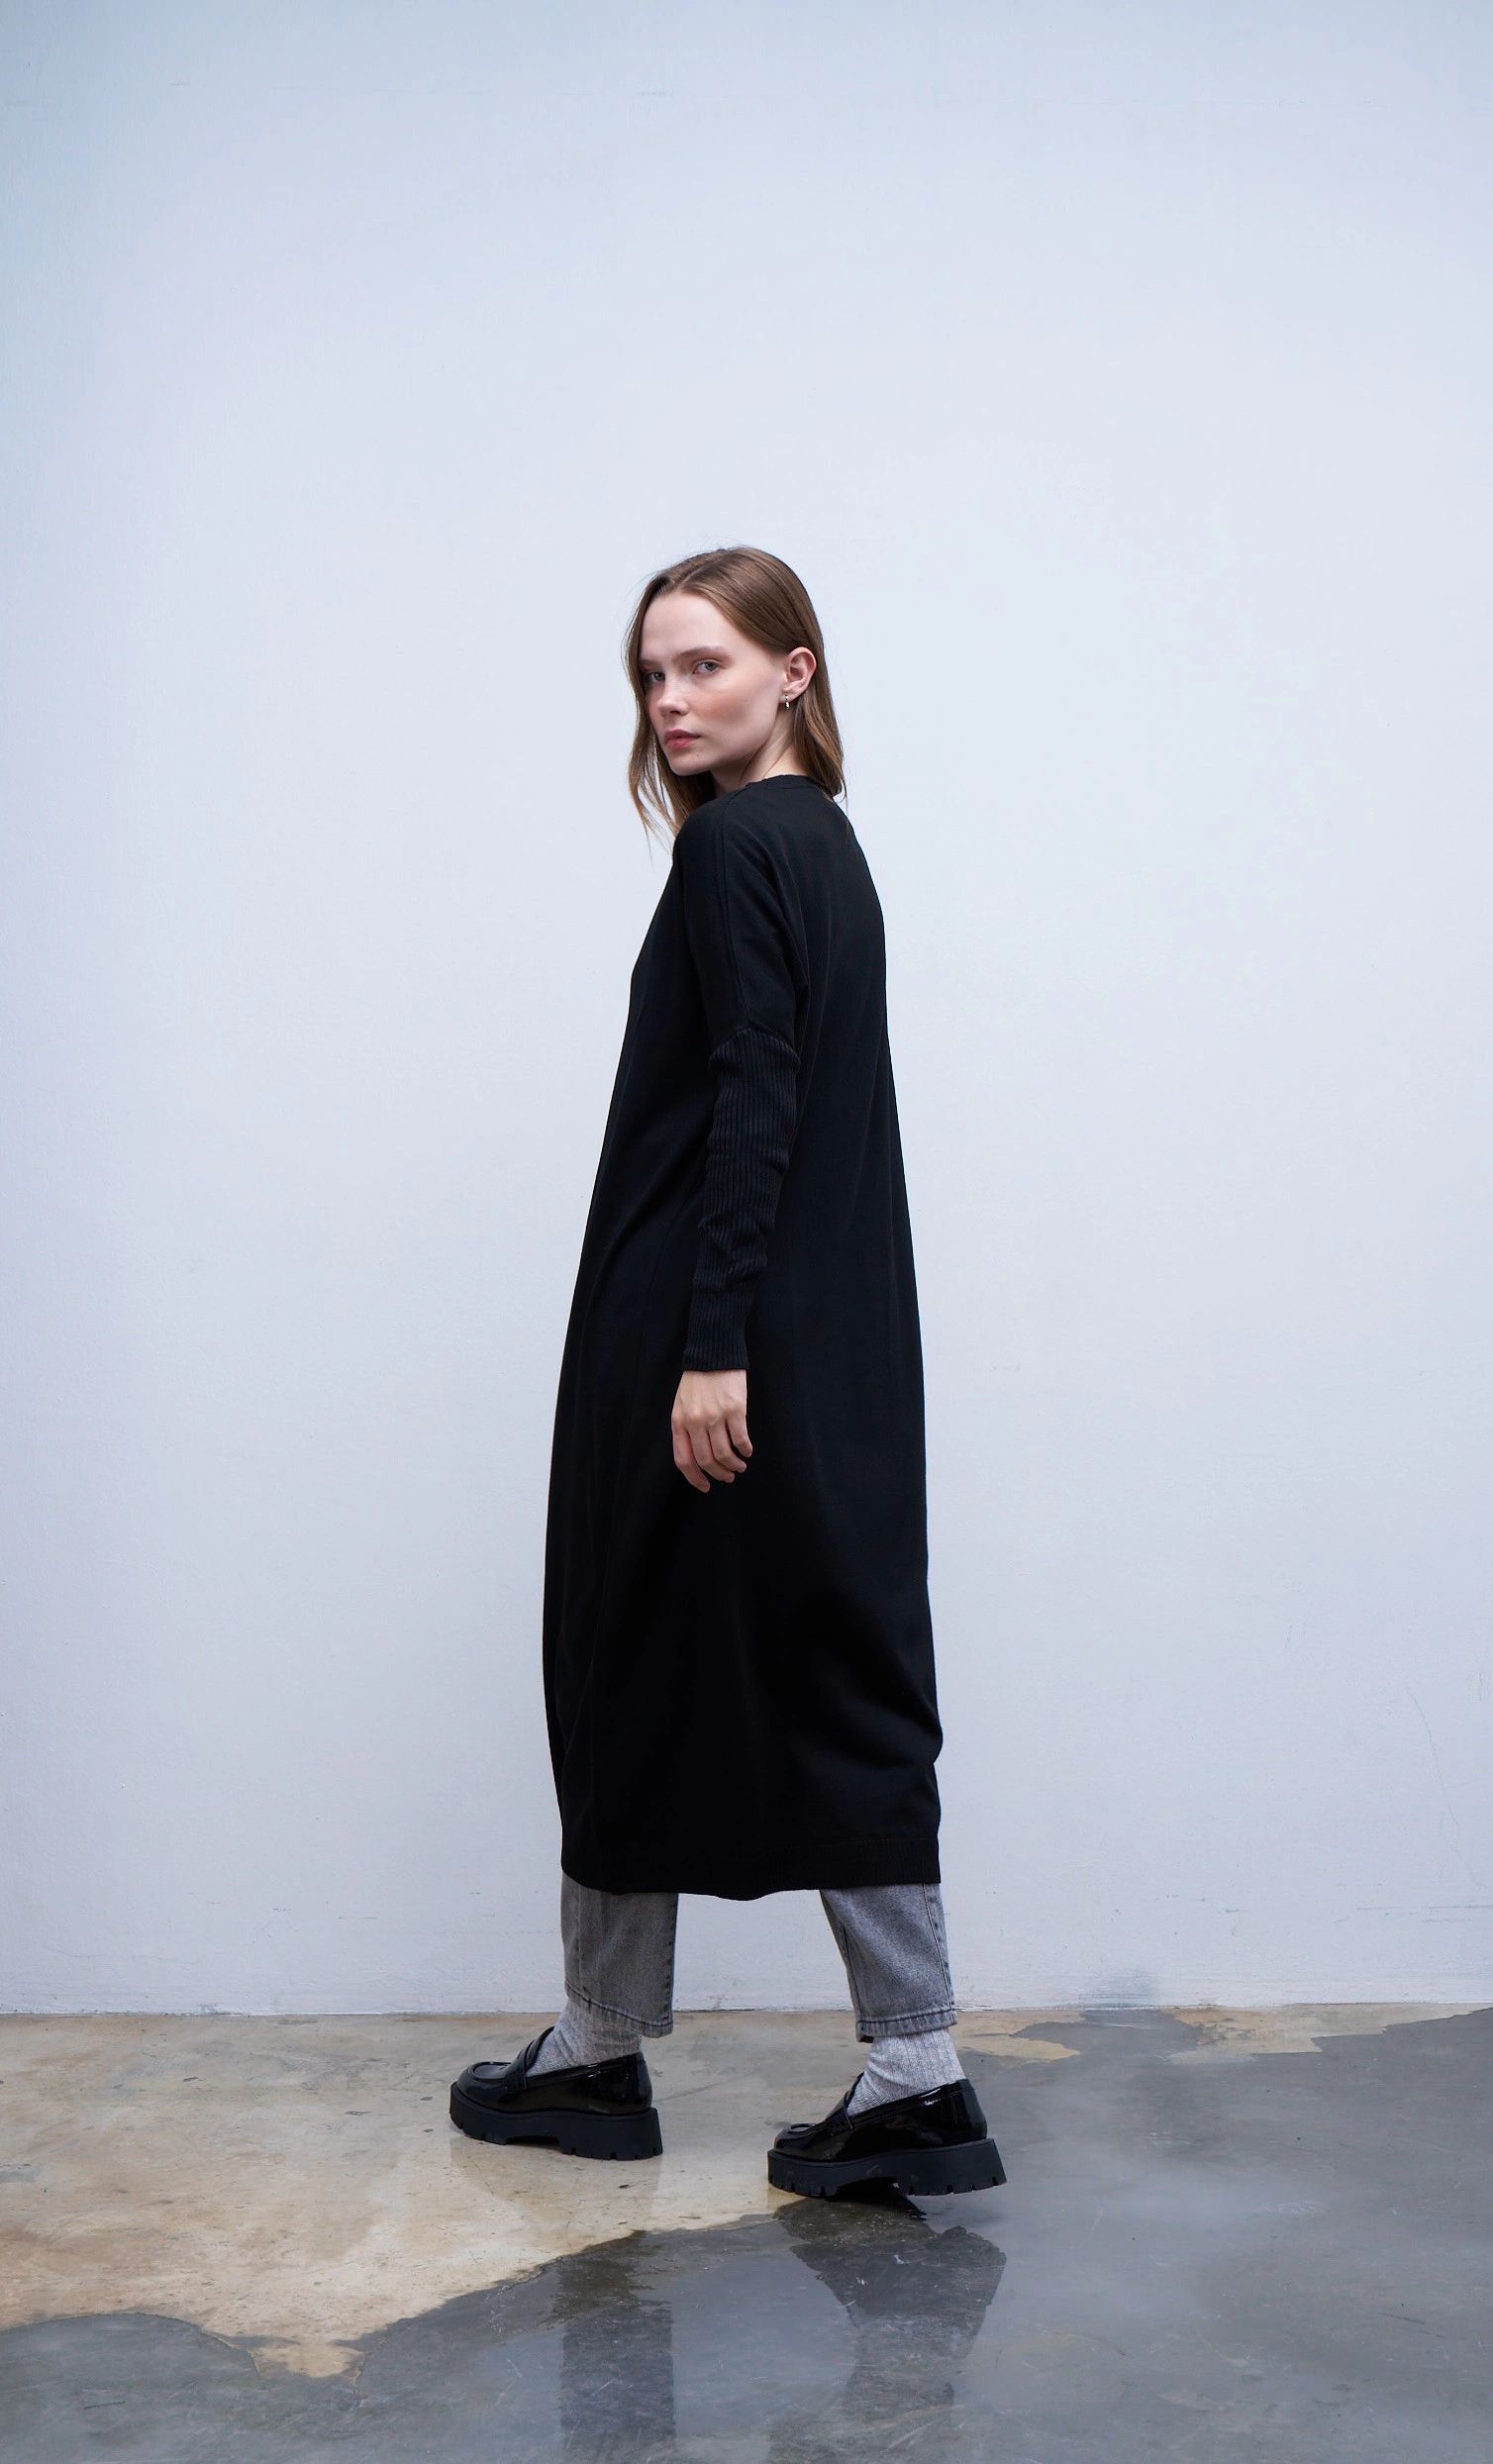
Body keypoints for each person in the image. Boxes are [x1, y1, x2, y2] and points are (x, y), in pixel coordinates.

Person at [449, 546, 1004, 2199]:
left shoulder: (736, 847)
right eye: (651, 674)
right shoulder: (820, 841)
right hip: (821, 1339)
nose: (671, 701)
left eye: (704, 665)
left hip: (706, 1336)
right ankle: (907, 2068)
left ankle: (603, 2051)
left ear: (793, 672)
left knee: (625, 1656)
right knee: (836, 1667)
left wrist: (707, 1350)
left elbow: (760, 1091)